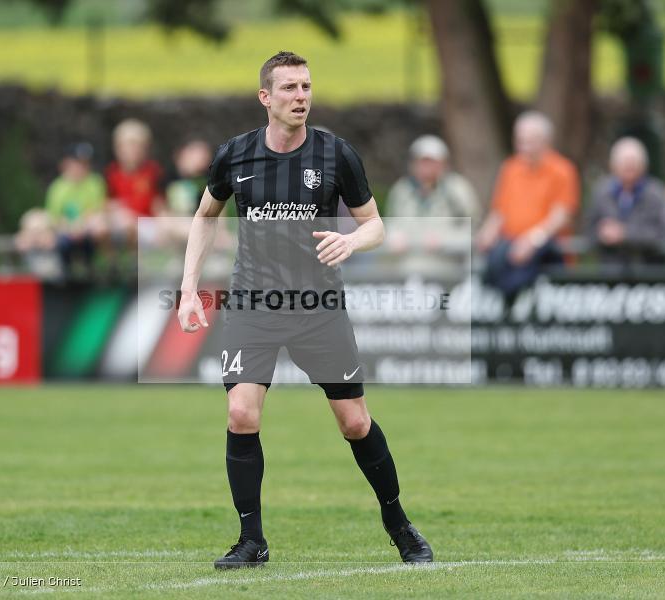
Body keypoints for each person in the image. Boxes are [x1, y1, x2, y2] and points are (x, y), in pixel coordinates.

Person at [177, 51, 433, 569]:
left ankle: (399, 524)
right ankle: (252, 542)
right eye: (290, 88)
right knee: (241, 413)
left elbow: (375, 224)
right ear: (265, 97)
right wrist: (188, 289)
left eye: (306, 87)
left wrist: (353, 243)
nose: (301, 97)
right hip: (254, 301)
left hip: (318, 305)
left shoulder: (336, 154)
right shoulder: (235, 155)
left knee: (354, 423)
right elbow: (206, 217)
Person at [477, 111, 580, 298]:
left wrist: (533, 240)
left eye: (531, 141)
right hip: (510, 246)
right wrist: (488, 232)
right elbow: (499, 212)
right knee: (491, 268)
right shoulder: (511, 168)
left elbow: (561, 216)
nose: (524, 147)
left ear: (546, 141)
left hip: (545, 251)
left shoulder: (562, 170)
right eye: (520, 140)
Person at [584, 137, 665, 269]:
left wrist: (625, 234)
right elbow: (588, 231)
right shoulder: (601, 193)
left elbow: (663, 233)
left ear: (644, 166)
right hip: (609, 273)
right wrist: (601, 233)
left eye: (633, 163)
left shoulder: (655, 194)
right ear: (613, 165)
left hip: (649, 274)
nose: (629, 166)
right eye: (624, 162)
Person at [386, 134, 479, 252]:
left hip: (449, 260)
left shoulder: (457, 188)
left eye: (431, 162)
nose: (426, 167)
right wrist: (394, 235)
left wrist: (445, 239)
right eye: (422, 161)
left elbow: (472, 227)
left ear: (444, 163)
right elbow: (391, 222)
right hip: (409, 259)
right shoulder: (401, 189)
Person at [45, 142, 107, 278]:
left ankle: (96, 271)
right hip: (65, 233)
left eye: (85, 164)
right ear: (66, 164)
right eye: (77, 163)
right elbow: (53, 217)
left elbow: (97, 211)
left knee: (98, 230)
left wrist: (80, 226)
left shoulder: (94, 183)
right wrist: (70, 227)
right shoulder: (58, 187)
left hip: (87, 233)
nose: (81, 168)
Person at [104, 119, 165, 246]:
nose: (133, 151)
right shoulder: (112, 173)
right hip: (122, 224)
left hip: (148, 224)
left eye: (138, 145)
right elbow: (108, 204)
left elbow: (159, 205)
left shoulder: (153, 171)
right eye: (127, 145)